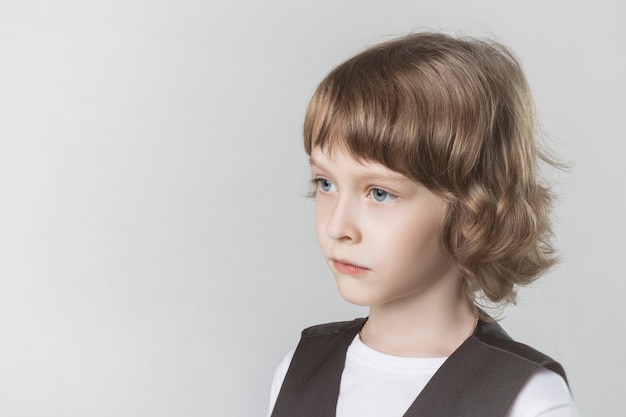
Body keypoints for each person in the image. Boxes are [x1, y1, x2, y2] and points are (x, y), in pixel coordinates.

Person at [266, 32, 578, 417]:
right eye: (325, 183)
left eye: (379, 193)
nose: (337, 227)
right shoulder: (299, 370)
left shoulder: (527, 401)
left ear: (471, 211)